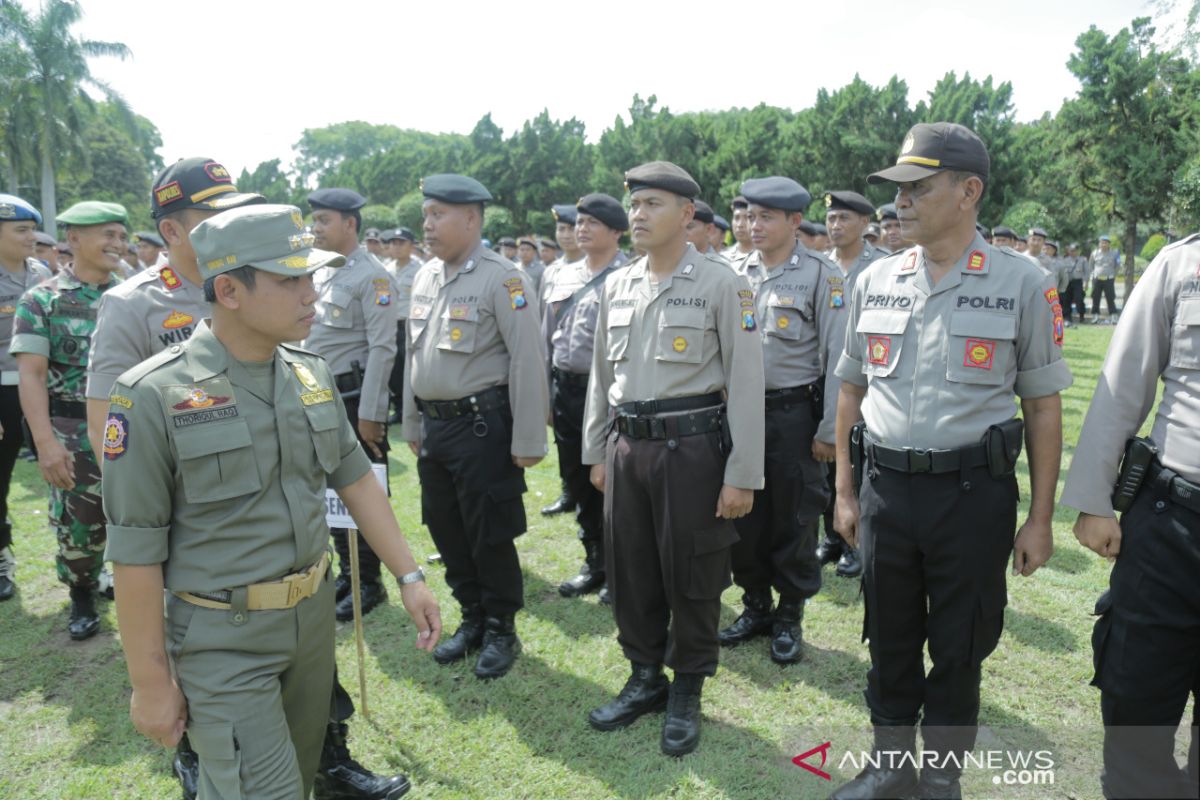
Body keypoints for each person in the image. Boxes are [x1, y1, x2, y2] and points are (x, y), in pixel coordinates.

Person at [102, 202, 440, 800]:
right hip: (222, 638)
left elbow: (354, 478)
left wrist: (409, 575)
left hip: (310, 625)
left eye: (311, 276)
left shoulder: (310, 372)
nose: (311, 293)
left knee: (303, 772)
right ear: (229, 290)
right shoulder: (152, 395)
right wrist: (149, 682)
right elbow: (135, 552)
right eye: (290, 280)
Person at [830, 122, 1071, 798]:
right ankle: (888, 767)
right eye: (899, 189)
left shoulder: (1023, 282)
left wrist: (1042, 519)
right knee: (890, 632)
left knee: (961, 642)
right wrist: (845, 492)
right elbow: (851, 389)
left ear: (969, 192)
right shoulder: (876, 279)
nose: (901, 202)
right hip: (885, 490)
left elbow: (1043, 408)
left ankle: (940, 778)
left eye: (918, 188)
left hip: (972, 493)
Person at [582, 160, 764, 757]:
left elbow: (745, 381)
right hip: (629, 445)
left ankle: (687, 685)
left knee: (693, 571)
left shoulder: (722, 283)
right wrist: (598, 451)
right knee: (631, 568)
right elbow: (601, 378)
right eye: (633, 204)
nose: (637, 214)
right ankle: (644, 676)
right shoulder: (619, 282)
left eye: (652, 204)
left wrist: (741, 474)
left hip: (693, 449)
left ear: (687, 214)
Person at [1060, 234, 1200, 800]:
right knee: (1135, 699)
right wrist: (1094, 500)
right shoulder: (1181, 264)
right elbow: (1122, 383)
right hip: (1173, 523)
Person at [402, 173, 548, 680]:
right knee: (446, 528)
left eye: (438, 214)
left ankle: (502, 627)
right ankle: (472, 617)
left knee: (488, 532)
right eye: (426, 215)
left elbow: (529, 359)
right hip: (437, 430)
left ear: (470, 218)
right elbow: (413, 354)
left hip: (483, 427)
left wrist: (528, 438)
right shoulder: (425, 276)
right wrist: (412, 419)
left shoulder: (503, 278)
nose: (428, 224)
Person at [719, 176, 840, 664]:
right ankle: (755, 605)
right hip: (737, 417)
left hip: (793, 416)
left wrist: (830, 429)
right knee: (741, 517)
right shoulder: (729, 270)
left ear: (794, 221)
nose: (754, 224)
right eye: (749, 215)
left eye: (766, 216)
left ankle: (789, 613)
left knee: (794, 518)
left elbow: (837, 359)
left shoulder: (821, 275)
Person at [11, 201, 127, 640]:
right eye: (107, 235)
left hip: (130, 425)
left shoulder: (134, 292)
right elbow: (32, 374)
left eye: (121, 235)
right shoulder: (42, 299)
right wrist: (45, 443)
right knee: (80, 523)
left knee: (139, 513)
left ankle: (125, 582)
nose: (118, 243)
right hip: (73, 429)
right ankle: (81, 591)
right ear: (74, 239)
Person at [305, 188, 398, 622]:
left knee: (362, 492)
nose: (315, 228)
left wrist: (371, 415)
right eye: (315, 221)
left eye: (324, 220)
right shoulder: (322, 273)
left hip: (353, 398)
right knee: (330, 492)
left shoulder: (373, 277)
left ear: (350, 224)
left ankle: (369, 582)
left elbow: (383, 349)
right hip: (320, 396)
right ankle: (348, 571)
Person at [541, 192, 628, 600]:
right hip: (566, 390)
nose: (582, 229)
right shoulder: (560, 275)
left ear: (616, 231)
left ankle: (620, 566)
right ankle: (594, 561)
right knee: (577, 480)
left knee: (612, 483)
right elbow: (546, 338)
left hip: (608, 397)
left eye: (593, 223)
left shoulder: (628, 275)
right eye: (579, 222)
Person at [817, 190, 890, 578]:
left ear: (865, 223)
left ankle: (854, 541)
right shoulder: (820, 266)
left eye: (844, 218)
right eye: (831, 219)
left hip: (866, 378)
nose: (835, 225)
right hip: (826, 375)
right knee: (829, 461)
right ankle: (831, 536)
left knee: (857, 458)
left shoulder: (881, 266)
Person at [0, 194, 53, 601]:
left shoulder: (41, 272)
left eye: (32, 228)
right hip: (1, 391)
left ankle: (80, 556)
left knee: (67, 469)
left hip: (43, 387)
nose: (31, 236)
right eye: (21, 230)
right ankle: (2, 558)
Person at [383, 227, 422, 425]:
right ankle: (399, 408)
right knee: (394, 369)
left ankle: (415, 408)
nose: (396, 247)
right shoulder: (386, 269)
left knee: (411, 368)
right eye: (393, 243)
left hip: (410, 326)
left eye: (401, 243)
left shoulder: (420, 269)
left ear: (411, 246)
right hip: (389, 325)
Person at [1090, 235, 1120, 323]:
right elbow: (1091, 265)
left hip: (1109, 279)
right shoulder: (1094, 253)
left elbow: (1117, 266)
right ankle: (1095, 315)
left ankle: (1113, 315)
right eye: (1102, 242)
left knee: (1110, 297)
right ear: (1099, 244)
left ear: (1109, 244)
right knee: (1095, 297)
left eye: (1106, 243)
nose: (1104, 244)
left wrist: (1113, 275)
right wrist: (1093, 274)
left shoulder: (1114, 253)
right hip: (1097, 279)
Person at [1062, 242, 1090, 324]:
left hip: (1078, 282)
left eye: (1074, 250)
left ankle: (1081, 315)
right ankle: (1067, 317)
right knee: (1066, 299)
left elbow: (1086, 272)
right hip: (1067, 282)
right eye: (1071, 250)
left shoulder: (1083, 260)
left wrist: (1086, 282)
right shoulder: (1065, 260)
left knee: (1079, 298)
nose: (1072, 252)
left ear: (1078, 251)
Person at [723, 196, 754, 262]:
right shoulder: (723, 259)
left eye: (746, 218)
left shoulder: (767, 257)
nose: (740, 225)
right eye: (736, 218)